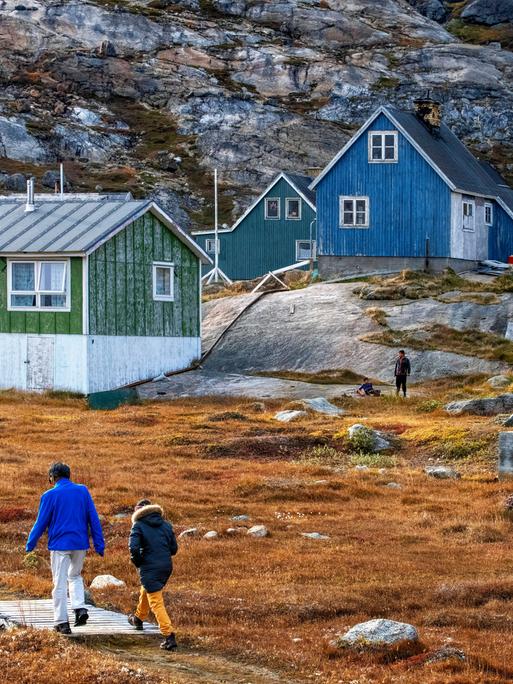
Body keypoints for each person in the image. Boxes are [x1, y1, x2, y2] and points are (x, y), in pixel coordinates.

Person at [25, 462, 105, 635]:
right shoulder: (83, 491)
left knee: (59, 583)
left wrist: (30, 544)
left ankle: (62, 623)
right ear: (68, 476)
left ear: (53, 477)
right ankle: (79, 609)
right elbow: (94, 518)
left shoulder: (49, 495)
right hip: (80, 543)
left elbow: (41, 523)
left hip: (60, 545)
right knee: (74, 576)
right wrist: (99, 544)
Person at [127, 499, 178, 651]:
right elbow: (174, 549)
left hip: (149, 567)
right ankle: (138, 618)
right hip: (166, 567)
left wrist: (138, 562)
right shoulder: (166, 525)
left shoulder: (138, 525)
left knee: (156, 601)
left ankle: (169, 636)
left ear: (139, 512)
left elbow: (133, 548)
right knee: (147, 589)